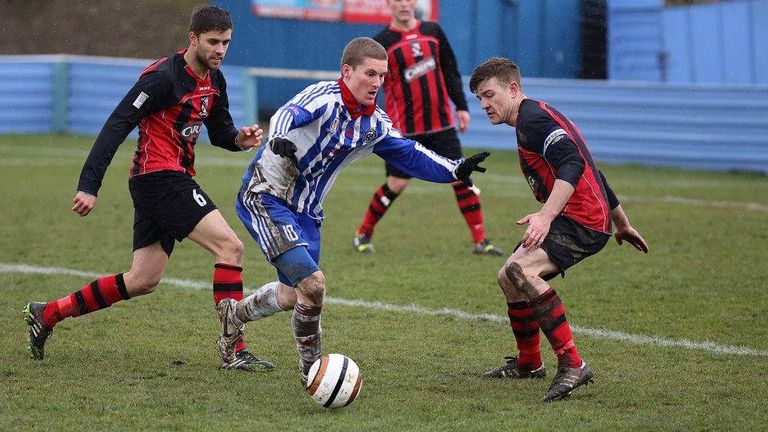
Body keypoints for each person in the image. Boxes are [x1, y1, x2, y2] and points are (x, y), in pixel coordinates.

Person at [215, 37, 491, 384]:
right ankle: (313, 374)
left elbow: (408, 153)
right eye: (370, 74)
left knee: (291, 295)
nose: (377, 83)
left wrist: (454, 169)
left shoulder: (374, 123)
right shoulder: (324, 97)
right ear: (347, 72)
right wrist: (279, 137)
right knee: (313, 286)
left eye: (383, 76)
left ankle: (234, 315)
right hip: (267, 195)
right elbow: (288, 113)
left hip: (307, 212)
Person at [23, 6, 273, 371]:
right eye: (213, 42)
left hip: (168, 180)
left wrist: (241, 139)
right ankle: (234, 349)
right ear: (193, 38)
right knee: (230, 247)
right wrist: (89, 185)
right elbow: (117, 124)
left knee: (143, 279)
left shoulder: (215, 82)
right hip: (158, 178)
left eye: (226, 43)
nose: (220, 49)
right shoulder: (162, 79)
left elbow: (220, 132)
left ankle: (47, 314)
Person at [468, 57, 649, 402]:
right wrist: (622, 223)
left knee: (522, 270)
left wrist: (546, 216)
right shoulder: (535, 116)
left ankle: (573, 364)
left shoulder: (532, 119)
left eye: (489, 95)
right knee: (508, 275)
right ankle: (529, 363)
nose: (484, 104)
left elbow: (574, 162)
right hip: (585, 216)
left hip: (582, 220)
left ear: (513, 89)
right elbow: (591, 166)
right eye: (479, 98)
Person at [351, 0, 502, 256]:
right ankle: (363, 233)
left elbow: (450, 70)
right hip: (404, 130)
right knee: (397, 183)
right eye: (397, 0)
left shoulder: (433, 31)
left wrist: (462, 107)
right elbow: (369, 82)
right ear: (389, 4)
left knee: (461, 176)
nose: (404, 4)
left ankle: (481, 240)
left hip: (441, 124)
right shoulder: (382, 43)